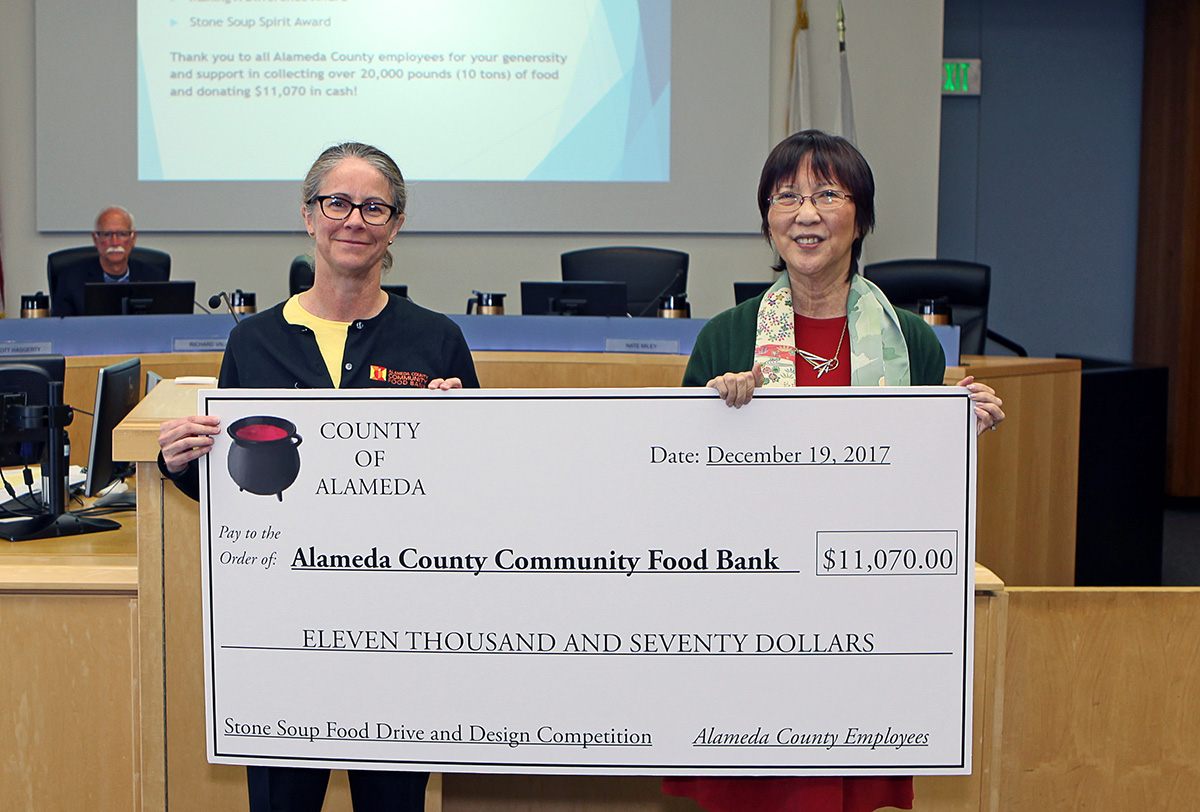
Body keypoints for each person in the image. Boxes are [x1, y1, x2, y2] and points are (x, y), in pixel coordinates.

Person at [662, 130, 1003, 812]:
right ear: (766, 218)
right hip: (753, 605)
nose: (805, 213)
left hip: (860, 606)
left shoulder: (910, 342)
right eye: (786, 196)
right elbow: (682, 485)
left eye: (827, 194)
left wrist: (961, 426)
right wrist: (712, 419)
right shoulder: (726, 336)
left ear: (861, 217)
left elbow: (920, 487)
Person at [157, 141, 478, 812]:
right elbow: (239, 481)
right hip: (283, 630)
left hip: (400, 629)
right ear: (309, 216)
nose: (353, 220)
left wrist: (458, 431)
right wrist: (182, 462)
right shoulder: (254, 342)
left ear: (394, 226)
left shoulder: (436, 339)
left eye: (373, 206)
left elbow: (472, 486)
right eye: (337, 202)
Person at [51, 206, 169, 316]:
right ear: (95, 239)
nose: (115, 242)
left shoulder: (155, 277)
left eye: (122, 234)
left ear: (133, 239)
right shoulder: (70, 280)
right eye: (107, 234)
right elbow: (62, 331)